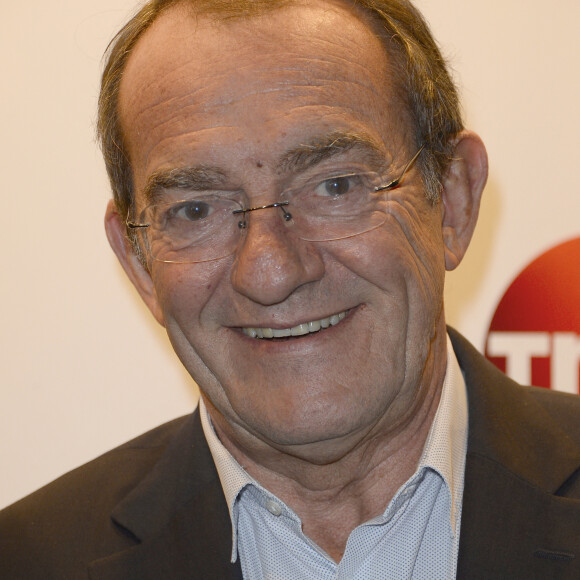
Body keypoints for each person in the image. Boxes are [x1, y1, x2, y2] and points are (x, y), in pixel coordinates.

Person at [1, 0, 579, 577]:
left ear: (451, 200)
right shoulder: (29, 559)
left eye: (334, 186)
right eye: (196, 209)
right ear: (139, 258)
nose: (270, 273)